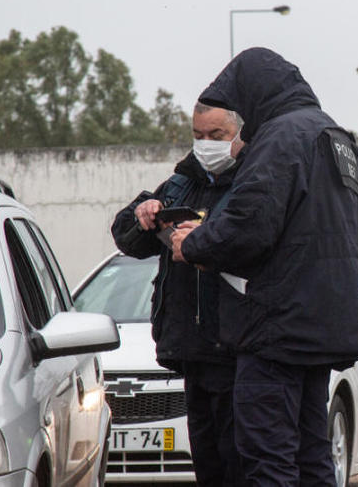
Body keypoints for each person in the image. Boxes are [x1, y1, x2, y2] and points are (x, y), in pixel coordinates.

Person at [169, 47, 358, 485]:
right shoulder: (334, 135)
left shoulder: (280, 136)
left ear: (256, 94)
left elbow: (249, 223)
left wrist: (195, 244)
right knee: (312, 452)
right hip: (322, 323)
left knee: (267, 453)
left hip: (277, 326)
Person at [110, 101, 247, 486]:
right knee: (207, 463)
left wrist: (206, 239)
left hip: (235, 350)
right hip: (189, 350)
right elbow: (128, 238)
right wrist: (144, 214)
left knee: (239, 461)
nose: (206, 144)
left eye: (216, 136)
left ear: (238, 135)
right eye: (198, 135)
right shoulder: (180, 183)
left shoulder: (250, 184)